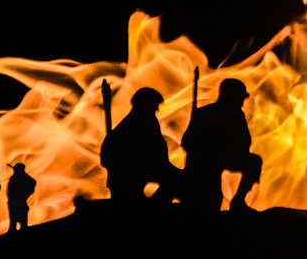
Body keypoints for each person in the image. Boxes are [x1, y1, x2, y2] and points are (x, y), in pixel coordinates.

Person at [182, 77, 263, 211]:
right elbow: (188, 142)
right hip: (207, 161)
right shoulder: (204, 113)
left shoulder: (237, 115)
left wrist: (236, 149)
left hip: (229, 156)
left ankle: (238, 200)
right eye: (239, 97)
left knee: (253, 162)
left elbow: (245, 139)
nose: (242, 102)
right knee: (211, 199)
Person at [98, 86, 180, 201]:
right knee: (175, 181)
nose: (157, 109)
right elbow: (154, 151)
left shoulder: (139, 122)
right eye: (154, 105)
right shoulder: (141, 123)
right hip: (130, 175)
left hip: (135, 172)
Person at [7, 161, 37, 233]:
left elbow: (33, 182)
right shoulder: (14, 178)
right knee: (14, 216)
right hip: (14, 200)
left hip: (19, 200)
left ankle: (21, 228)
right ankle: (14, 228)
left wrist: (25, 194)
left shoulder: (19, 178)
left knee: (20, 215)